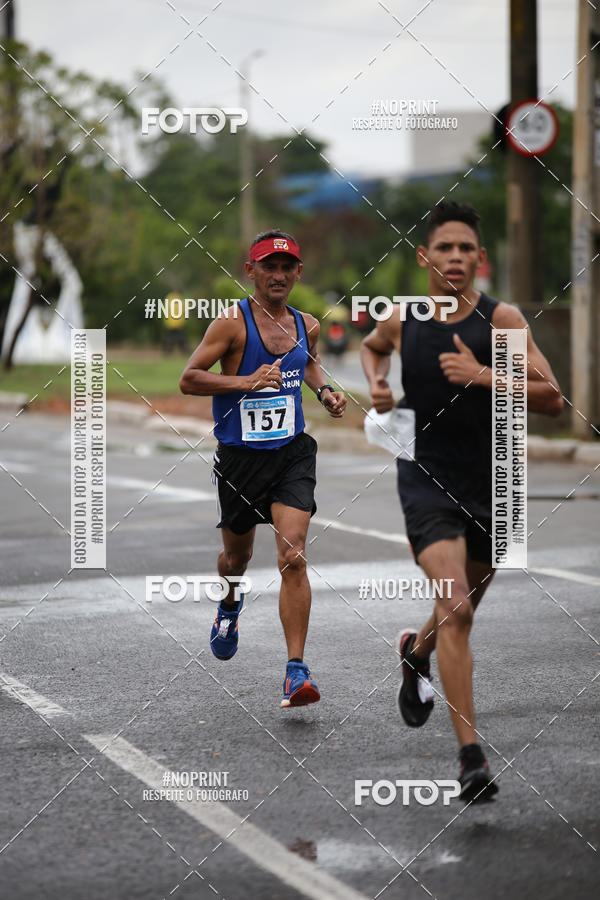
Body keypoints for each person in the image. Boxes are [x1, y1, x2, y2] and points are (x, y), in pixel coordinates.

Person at [360, 201, 563, 802]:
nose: (454, 257)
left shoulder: (502, 321)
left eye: (465, 249)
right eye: (443, 247)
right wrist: (376, 381)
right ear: (425, 257)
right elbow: (374, 346)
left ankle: (414, 655)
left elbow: (553, 397)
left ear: (481, 259)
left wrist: (483, 375)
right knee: (460, 610)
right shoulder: (404, 318)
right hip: (426, 478)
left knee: (462, 605)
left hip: (495, 483)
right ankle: (472, 759)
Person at [180, 229, 346, 708]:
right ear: (250, 271)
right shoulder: (230, 325)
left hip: (292, 453)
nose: (278, 275)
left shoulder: (306, 323)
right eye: (268, 267)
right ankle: (229, 603)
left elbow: (309, 363)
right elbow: (189, 378)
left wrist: (324, 391)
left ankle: (296, 672)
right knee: (237, 560)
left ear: (298, 273)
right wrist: (245, 382)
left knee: (293, 556)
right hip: (240, 460)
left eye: (287, 267)